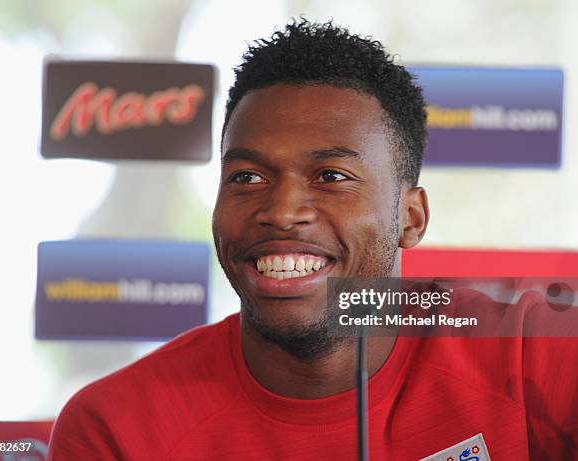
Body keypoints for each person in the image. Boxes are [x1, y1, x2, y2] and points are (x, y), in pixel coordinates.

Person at [47, 19, 577, 460]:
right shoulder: (117, 428)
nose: (280, 212)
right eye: (247, 178)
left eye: (331, 176)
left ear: (411, 217)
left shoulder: (531, 352)